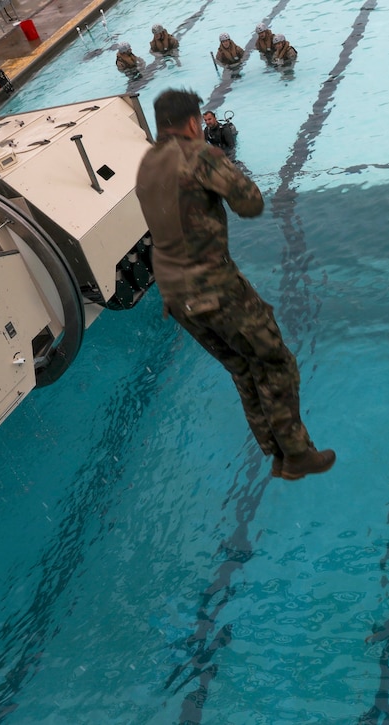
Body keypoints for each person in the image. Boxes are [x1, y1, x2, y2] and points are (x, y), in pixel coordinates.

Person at [135, 89, 335, 481]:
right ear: (194, 122)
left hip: (175, 297)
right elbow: (250, 204)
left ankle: (275, 454)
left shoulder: (146, 163)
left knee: (243, 368)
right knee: (276, 361)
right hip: (215, 288)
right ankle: (297, 454)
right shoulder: (199, 155)